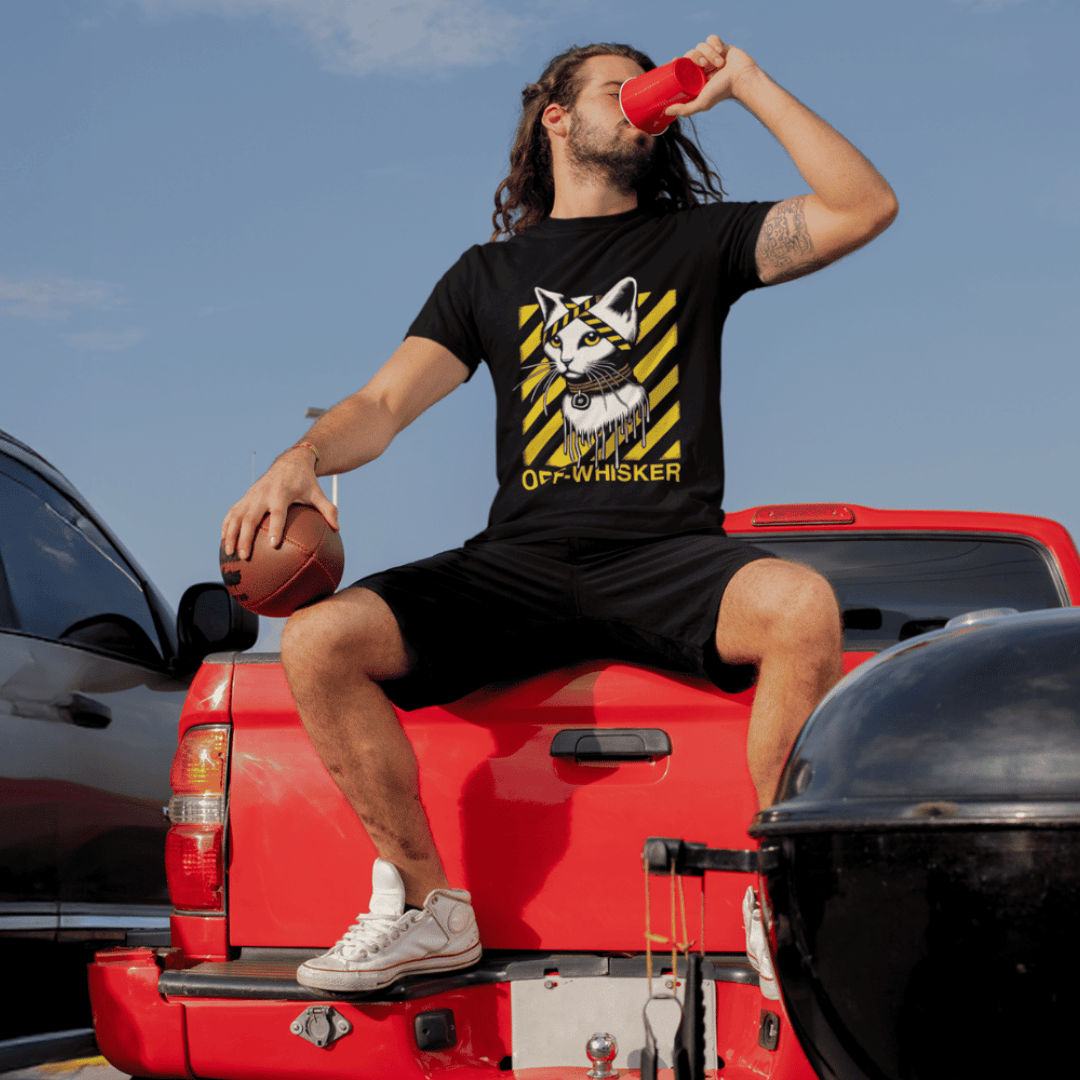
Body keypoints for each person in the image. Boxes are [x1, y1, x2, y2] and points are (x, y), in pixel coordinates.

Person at [221, 35, 897, 996]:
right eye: (618, 92)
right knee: (319, 641)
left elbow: (863, 206)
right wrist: (300, 459)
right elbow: (380, 406)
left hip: (665, 556)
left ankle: (777, 897)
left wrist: (744, 85)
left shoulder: (696, 244)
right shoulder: (487, 276)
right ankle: (427, 907)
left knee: (800, 606)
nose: (641, 107)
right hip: (522, 563)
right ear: (556, 117)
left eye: (649, 95)